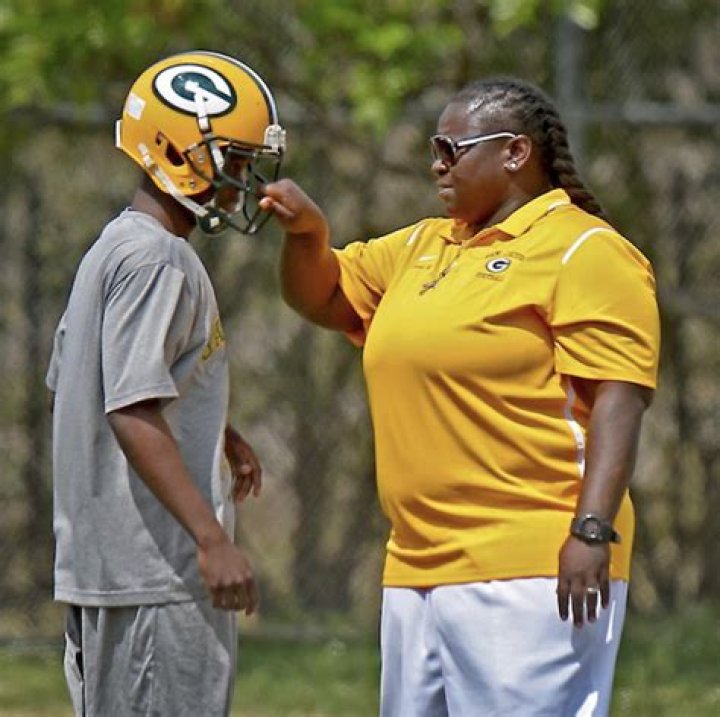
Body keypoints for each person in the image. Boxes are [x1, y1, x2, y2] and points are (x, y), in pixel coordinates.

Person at [259, 77, 660, 716]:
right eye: (433, 148)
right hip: (415, 566)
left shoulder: (585, 250)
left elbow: (620, 397)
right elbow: (324, 295)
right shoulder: (422, 245)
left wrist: (591, 531)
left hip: (530, 565)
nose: (436, 164)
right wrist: (308, 235)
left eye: (452, 148)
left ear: (516, 152)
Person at [46, 51, 286, 716]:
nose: (243, 181)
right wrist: (210, 537)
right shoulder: (159, 259)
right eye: (234, 159)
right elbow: (129, 407)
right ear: (178, 150)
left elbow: (83, 382)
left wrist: (216, 432)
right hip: (155, 574)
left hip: (111, 570)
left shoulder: (114, 247)